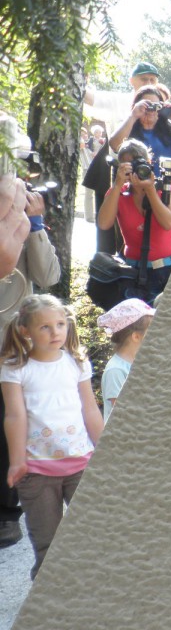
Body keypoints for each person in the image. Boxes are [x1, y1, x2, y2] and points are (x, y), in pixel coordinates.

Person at [1, 294, 103, 579]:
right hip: (37, 472)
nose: (55, 331)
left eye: (60, 324)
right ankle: (48, 611)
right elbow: (15, 416)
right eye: (45, 327)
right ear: (25, 330)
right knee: (48, 545)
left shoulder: (76, 363)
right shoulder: (15, 368)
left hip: (80, 466)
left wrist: (106, 451)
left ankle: (89, 594)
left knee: (93, 537)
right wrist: (17, 461)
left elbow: (90, 410)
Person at [0, 117, 60, 548]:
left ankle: (7, 512)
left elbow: (49, 275)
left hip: (12, 343)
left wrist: (35, 227)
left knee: (11, 425)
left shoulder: (19, 216)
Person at [97, 139, 171, 304]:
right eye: (128, 166)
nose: (135, 170)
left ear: (149, 163)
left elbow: (168, 223)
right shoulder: (118, 193)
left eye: (139, 163)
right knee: (143, 327)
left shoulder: (167, 188)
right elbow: (104, 224)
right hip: (137, 272)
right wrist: (118, 185)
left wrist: (150, 190)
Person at [108, 85, 171, 257]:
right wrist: (133, 115)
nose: (150, 110)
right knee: (138, 249)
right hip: (135, 197)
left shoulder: (169, 130)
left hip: (169, 195)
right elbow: (114, 144)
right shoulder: (130, 129)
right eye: (146, 105)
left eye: (156, 106)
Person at [97, 298, 155, 423]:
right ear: (136, 336)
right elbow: (123, 413)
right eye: (151, 330)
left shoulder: (141, 363)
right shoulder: (116, 370)